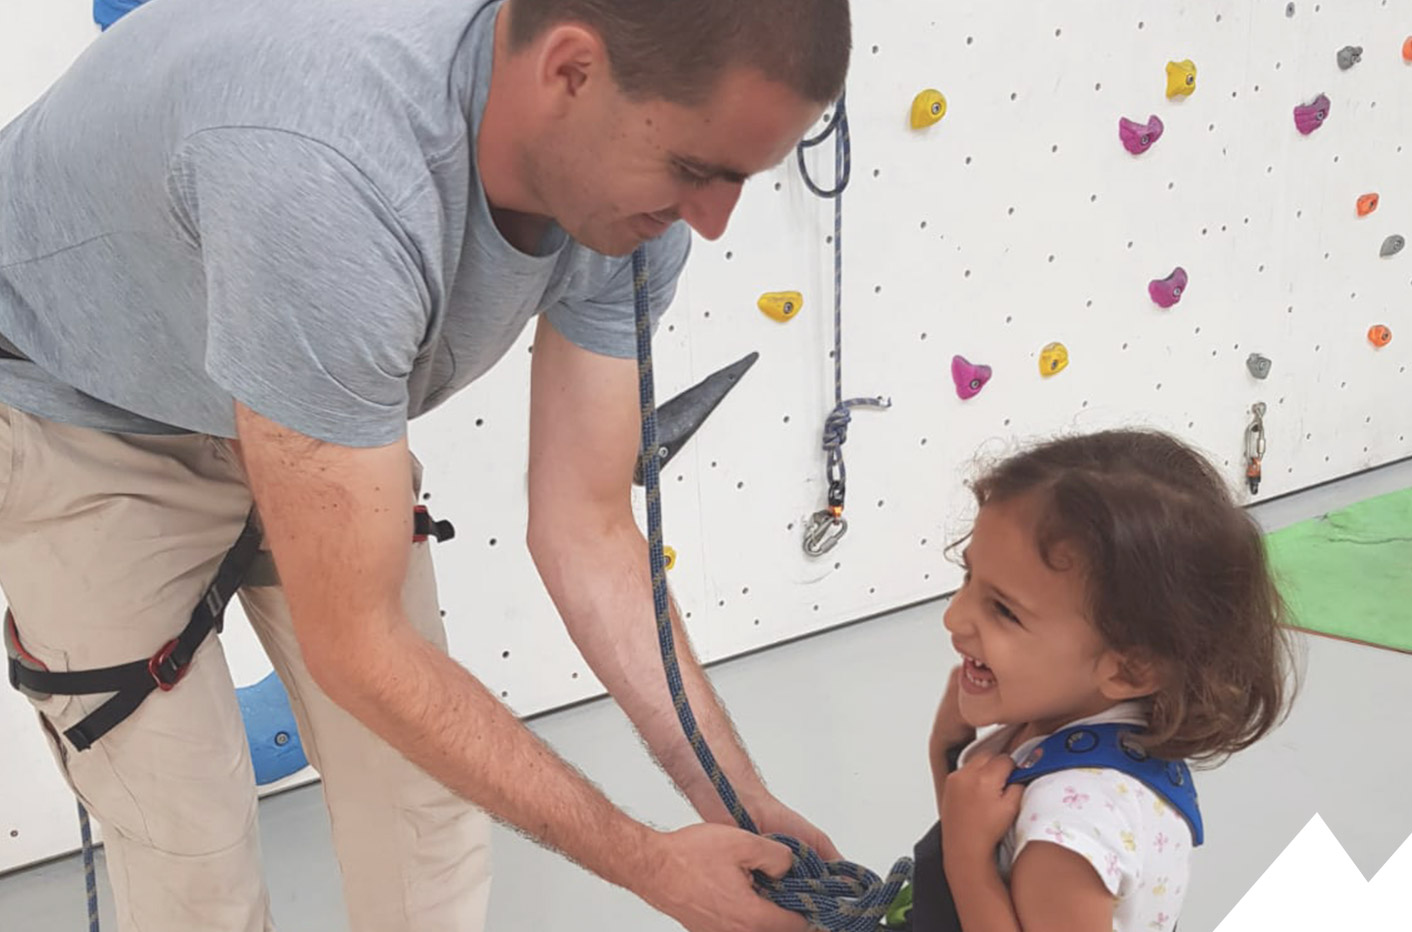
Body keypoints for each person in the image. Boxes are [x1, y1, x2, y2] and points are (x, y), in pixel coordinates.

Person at [0, 0, 851, 930]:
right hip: (81, 403)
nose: (712, 220)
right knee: (190, 844)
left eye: (735, 177)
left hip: (285, 358)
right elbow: (357, 643)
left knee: (422, 802)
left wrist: (736, 801)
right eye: (693, 169)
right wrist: (651, 866)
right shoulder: (332, 178)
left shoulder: (633, 204)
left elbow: (589, 527)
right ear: (569, 69)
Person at [919, 429, 1295, 931]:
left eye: (1004, 611)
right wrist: (949, 750)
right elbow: (983, 820)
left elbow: (978, 863)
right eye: (969, 579)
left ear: (1130, 668)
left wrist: (967, 864)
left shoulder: (1068, 833)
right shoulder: (1093, 717)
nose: (954, 617)